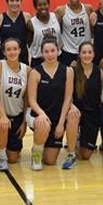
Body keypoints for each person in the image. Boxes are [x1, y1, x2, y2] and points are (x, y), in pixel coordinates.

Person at [27, 38, 76, 170]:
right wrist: (41, 114)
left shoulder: (68, 71)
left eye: (52, 51)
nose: (50, 54)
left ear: (58, 51)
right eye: (46, 51)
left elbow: (67, 98)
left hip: (56, 117)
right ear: (42, 53)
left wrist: (61, 123)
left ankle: (68, 153)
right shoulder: (35, 72)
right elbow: (31, 100)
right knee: (43, 124)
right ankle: (36, 154)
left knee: (49, 160)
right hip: (38, 115)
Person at [0, 38, 31, 171]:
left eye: (15, 49)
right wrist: (2, 116)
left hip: (17, 115)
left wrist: (24, 122)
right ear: (3, 52)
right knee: (2, 124)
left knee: (13, 159)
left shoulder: (27, 70)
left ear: (20, 50)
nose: (12, 52)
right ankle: (1, 155)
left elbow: (26, 99)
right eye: (8, 49)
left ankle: (1, 145)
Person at [71, 42, 102, 161]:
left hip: (92, 114)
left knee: (86, 155)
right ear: (79, 54)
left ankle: (81, 139)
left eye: (90, 52)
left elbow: (100, 95)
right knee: (72, 116)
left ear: (94, 54)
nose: (87, 55)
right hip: (77, 112)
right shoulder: (73, 71)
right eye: (84, 52)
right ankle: (74, 140)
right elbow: (68, 95)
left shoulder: (99, 71)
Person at [55, 0, 95, 67]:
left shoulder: (88, 9)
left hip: (85, 52)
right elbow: (57, 30)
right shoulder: (61, 10)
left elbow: (92, 30)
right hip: (67, 52)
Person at [0, 0, 31, 65]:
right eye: (12, 0)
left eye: (17, 0)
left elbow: (30, 39)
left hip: (22, 57)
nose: (14, 3)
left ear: (21, 1)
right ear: (7, 2)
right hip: (5, 58)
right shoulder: (0, 18)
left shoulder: (27, 17)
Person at [27, 0, 61, 66]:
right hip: (38, 60)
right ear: (35, 7)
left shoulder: (57, 17)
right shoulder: (31, 23)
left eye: (45, 4)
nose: (43, 7)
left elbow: (62, 35)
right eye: (39, 5)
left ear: (48, 5)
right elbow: (29, 43)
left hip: (57, 58)